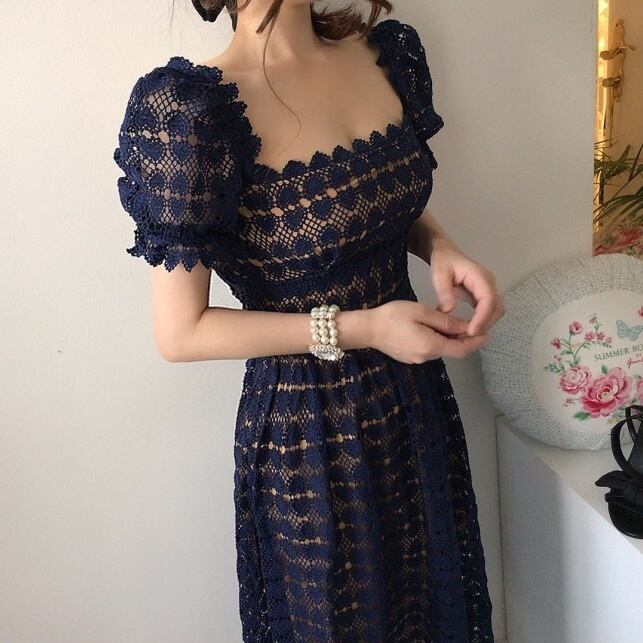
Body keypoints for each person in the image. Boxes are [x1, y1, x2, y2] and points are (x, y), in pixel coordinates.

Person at [113, 1, 503, 640]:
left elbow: (378, 204)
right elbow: (181, 333)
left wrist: (441, 248)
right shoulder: (190, 113)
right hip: (310, 434)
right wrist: (365, 328)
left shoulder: (385, 54)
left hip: (414, 401)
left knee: (433, 608)